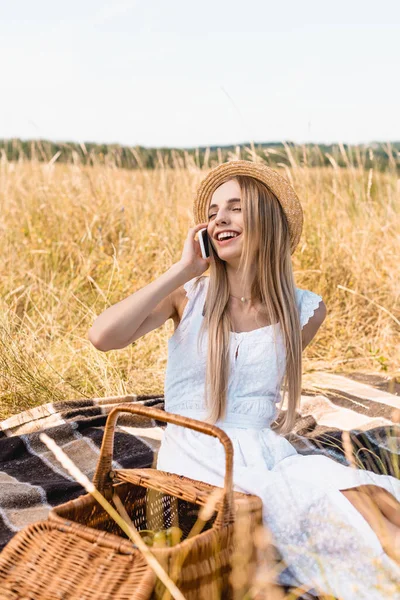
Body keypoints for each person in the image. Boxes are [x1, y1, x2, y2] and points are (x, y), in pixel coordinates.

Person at [88, 160, 400, 599]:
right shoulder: (188, 296)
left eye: (235, 207)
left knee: (369, 492)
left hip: (268, 453)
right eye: (213, 211)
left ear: (266, 220)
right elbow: (103, 337)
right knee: (349, 508)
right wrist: (183, 269)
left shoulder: (303, 309)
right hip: (202, 456)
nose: (219, 218)